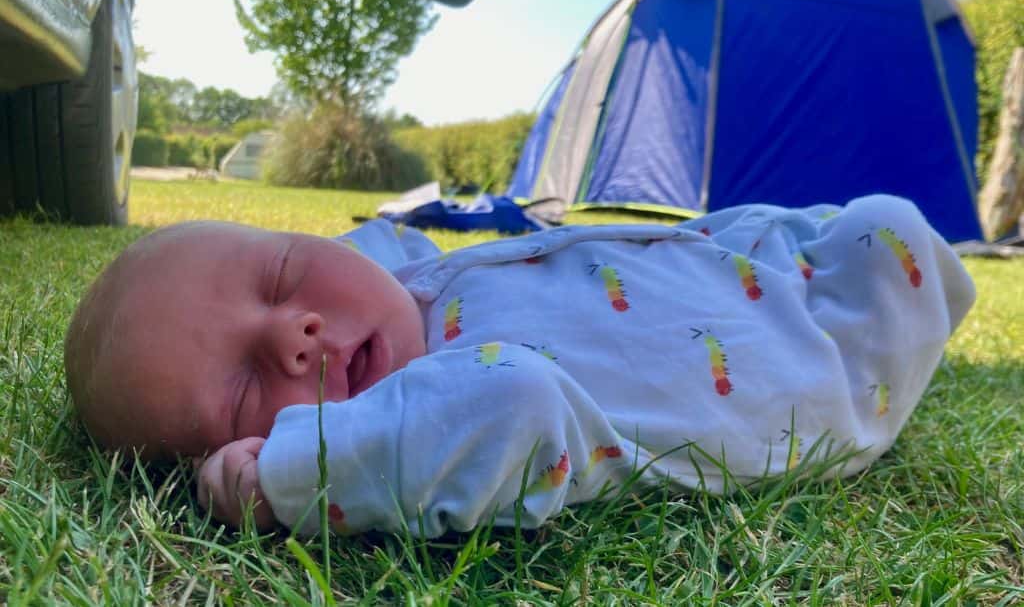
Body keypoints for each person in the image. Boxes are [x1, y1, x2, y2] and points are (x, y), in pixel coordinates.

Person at [63, 195, 975, 537]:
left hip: (736, 254)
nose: (296, 333)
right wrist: (284, 480)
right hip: (822, 361)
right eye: (245, 391)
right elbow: (516, 398)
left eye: (282, 272)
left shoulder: (397, 286)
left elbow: (371, 245)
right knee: (891, 230)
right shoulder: (446, 410)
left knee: (851, 220)